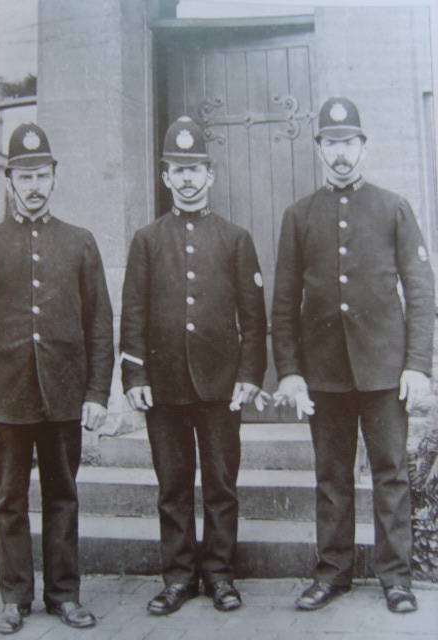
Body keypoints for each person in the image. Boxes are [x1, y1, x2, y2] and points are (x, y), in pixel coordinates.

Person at [271, 97, 435, 614]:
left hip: (386, 372)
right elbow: (283, 303)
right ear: (319, 148)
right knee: (331, 476)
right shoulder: (299, 217)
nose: (340, 154)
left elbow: (422, 291)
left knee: (390, 474)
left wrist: (419, 365)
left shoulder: (394, 208)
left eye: (349, 143)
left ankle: (396, 578)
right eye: (331, 143)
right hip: (325, 374)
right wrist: (292, 372)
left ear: (363, 147)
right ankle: (333, 573)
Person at [0, 123, 115, 634]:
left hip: (64, 395)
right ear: (9, 180)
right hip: (7, 398)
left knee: (63, 496)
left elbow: (99, 325)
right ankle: (14, 597)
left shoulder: (80, 243)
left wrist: (96, 393)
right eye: (23, 175)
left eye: (41, 175)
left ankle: (64, 595)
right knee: (9, 499)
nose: (33, 185)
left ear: (54, 178)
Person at [120, 116, 267, 615]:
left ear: (210, 175)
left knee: (222, 485)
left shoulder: (235, 238)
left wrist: (249, 376)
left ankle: (221, 574)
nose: (186, 179)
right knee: (174, 485)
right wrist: (134, 375)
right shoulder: (146, 239)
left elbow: (253, 316)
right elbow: (133, 312)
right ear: (165, 177)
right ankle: (179, 577)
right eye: (177, 170)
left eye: (195, 169)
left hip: (222, 387)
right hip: (163, 386)